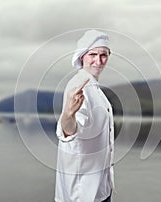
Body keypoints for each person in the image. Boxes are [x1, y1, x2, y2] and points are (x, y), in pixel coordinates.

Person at [55, 30, 114, 202]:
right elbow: (70, 131)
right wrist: (68, 114)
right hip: (83, 192)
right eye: (93, 54)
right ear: (82, 57)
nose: (98, 60)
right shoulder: (78, 85)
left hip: (99, 187)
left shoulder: (95, 88)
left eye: (104, 55)